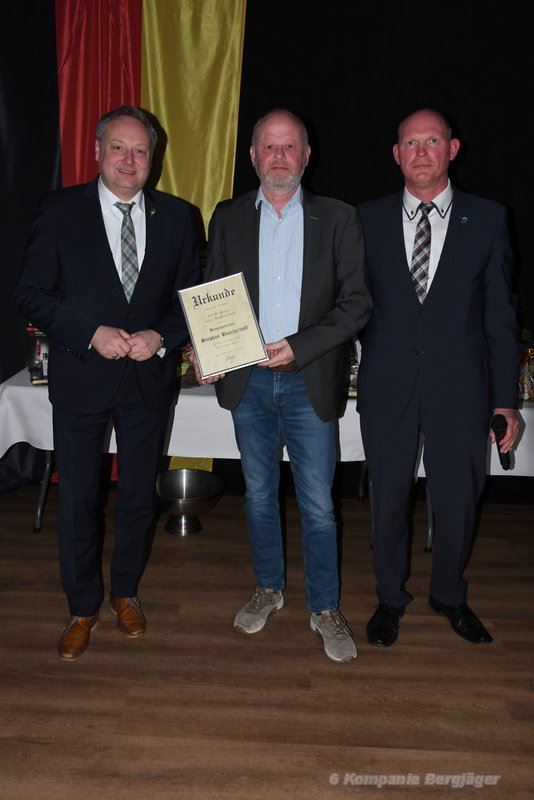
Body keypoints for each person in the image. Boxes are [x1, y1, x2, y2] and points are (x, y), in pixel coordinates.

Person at [15, 105, 200, 660]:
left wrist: (161, 336)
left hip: (148, 380)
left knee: (139, 496)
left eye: (140, 150)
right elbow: (31, 294)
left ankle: (125, 592)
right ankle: (81, 606)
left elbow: (188, 300)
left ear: (153, 159)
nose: (129, 159)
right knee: (78, 498)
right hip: (82, 375)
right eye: (118, 147)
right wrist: (90, 332)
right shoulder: (60, 211)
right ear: (98, 151)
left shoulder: (179, 216)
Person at [192, 109, 371, 663]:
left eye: (289, 146)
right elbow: (211, 293)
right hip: (247, 382)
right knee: (258, 496)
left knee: (318, 505)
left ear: (307, 155)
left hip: (308, 379)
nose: (278, 156)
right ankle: (269, 588)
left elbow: (357, 304)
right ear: (252, 155)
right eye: (268, 146)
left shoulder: (338, 217)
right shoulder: (227, 216)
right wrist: (204, 349)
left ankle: (325, 607)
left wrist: (300, 346)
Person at [357, 108, 519, 647]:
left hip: (462, 389)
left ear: (452, 149)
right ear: (396, 154)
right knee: (387, 501)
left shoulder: (488, 219)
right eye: (411, 142)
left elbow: (500, 318)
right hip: (387, 385)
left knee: (457, 501)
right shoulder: (365, 220)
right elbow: (348, 302)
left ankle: (449, 593)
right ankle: (389, 597)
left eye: (432, 140)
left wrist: (505, 400)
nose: (421, 151)